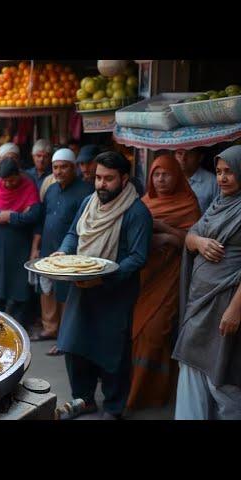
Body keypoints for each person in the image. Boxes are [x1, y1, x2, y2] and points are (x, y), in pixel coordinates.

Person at [53, 151, 152, 420]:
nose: (101, 184)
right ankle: (83, 400)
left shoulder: (137, 212)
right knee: (74, 345)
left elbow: (138, 257)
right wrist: (63, 253)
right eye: (98, 178)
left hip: (115, 293)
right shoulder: (88, 202)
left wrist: (104, 276)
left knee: (112, 352)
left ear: (124, 178)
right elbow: (74, 234)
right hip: (82, 287)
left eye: (108, 179)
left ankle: (113, 407)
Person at [126, 154, 200, 411]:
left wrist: (167, 233)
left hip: (171, 279)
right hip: (143, 278)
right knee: (135, 331)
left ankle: (152, 394)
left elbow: (195, 242)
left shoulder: (189, 204)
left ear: (177, 176)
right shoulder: (144, 203)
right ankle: (131, 392)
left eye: (166, 174)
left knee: (156, 332)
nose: (160, 179)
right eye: (156, 174)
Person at [172, 145, 241, 420]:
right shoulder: (219, 203)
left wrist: (236, 309)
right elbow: (191, 235)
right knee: (192, 365)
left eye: (230, 172)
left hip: (225, 305)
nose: (222, 178)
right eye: (219, 172)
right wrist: (199, 242)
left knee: (223, 374)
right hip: (199, 303)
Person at [30, 148, 93, 351]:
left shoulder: (85, 192)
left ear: (73, 168)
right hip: (49, 247)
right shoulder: (51, 189)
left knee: (66, 293)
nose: (59, 171)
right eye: (56, 167)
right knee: (47, 290)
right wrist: (36, 246)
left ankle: (66, 337)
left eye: (64, 167)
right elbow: (42, 220)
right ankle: (50, 328)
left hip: (71, 251)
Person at [0, 158, 41, 326]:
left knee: (18, 286)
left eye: (11, 180)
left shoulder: (28, 186)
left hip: (20, 245)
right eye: (4, 180)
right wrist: (0, 214)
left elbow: (34, 215)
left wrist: (13, 217)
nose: (7, 184)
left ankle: (19, 325)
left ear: (18, 174)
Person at [174, 147, 219, 215]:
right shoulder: (170, 178)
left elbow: (218, 212)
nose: (183, 159)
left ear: (200, 158)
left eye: (189, 154)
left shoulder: (212, 182)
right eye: (179, 154)